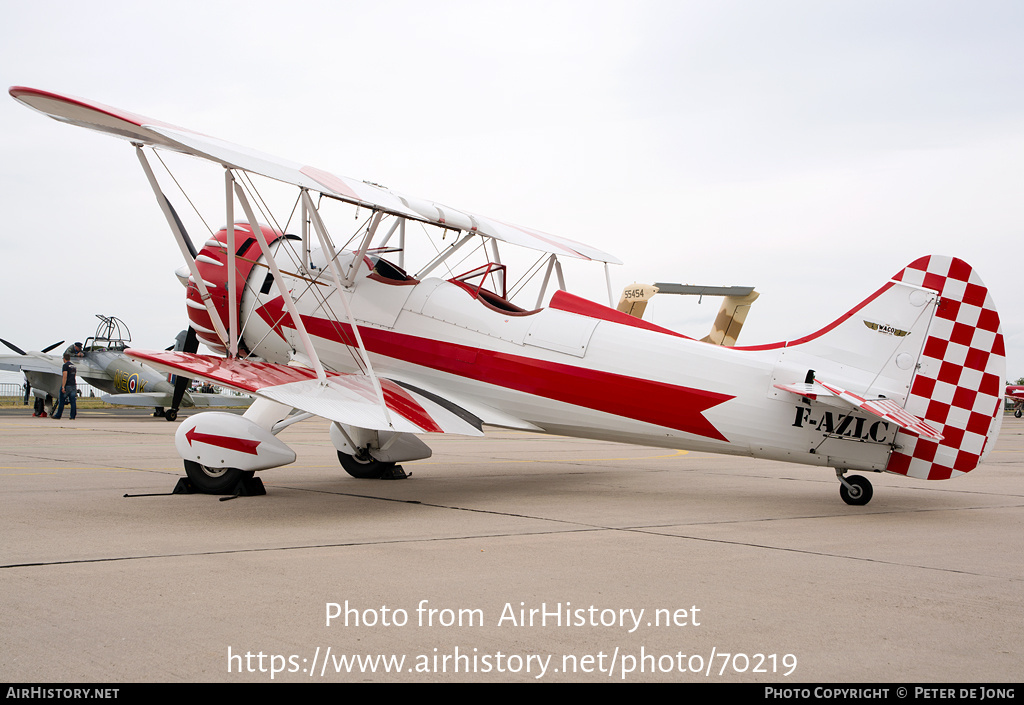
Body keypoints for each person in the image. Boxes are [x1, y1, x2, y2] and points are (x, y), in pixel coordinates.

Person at [52, 353, 77, 420]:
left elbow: (65, 376)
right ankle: (72, 416)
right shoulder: (73, 366)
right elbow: (74, 376)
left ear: (64, 359)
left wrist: (63, 386)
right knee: (73, 402)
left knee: (62, 401)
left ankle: (58, 415)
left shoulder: (65, 366)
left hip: (67, 385)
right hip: (73, 385)